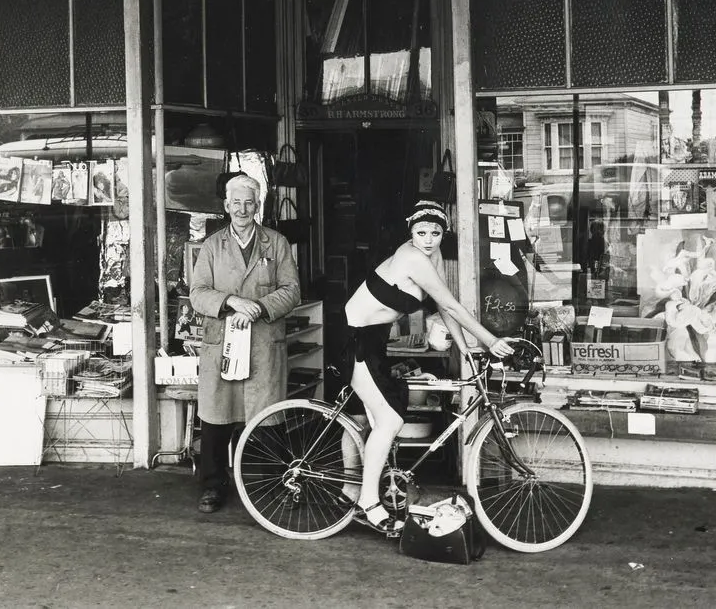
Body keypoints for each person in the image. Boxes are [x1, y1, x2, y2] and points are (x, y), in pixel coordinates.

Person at [341, 200, 516, 535]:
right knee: (390, 420)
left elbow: (442, 303)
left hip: (375, 338)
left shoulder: (432, 256)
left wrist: (466, 350)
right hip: (354, 337)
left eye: (435, 232)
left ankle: (357, 491)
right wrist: (491, 340)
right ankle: (366, 502)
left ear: (442, 233)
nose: (428, 238)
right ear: (411, 233)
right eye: (421, 232)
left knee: (377, 419)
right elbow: (451, 303)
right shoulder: (412, 257)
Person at [188, 174, 301, 513]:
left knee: (267, 417)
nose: (241, 208)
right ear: (226, 206)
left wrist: (261, 308)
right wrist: (233, 302)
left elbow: (292, 290)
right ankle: (212, 486)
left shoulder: (276, 243)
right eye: (235, 202)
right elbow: (197, 293)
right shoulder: (212, 245)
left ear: (257, 206)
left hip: (263, 342)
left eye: (248, 202)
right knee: (217, 418)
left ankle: (275, 485)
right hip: (222, 341)